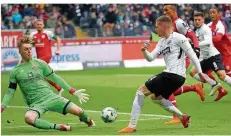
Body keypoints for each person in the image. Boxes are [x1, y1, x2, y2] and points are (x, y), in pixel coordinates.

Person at [118, 15, 206, 133]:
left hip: (173, 75)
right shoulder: (161, 42)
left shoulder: (178, 37)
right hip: (175, 78)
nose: (155, 29)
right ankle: (182, 117)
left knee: (140, 92)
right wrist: (144, 51)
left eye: (156, 27)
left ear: (163, 26)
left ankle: (132, 126)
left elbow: (192, 55)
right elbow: (150, 58)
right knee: (155, 97)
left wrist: (200, 72)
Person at [1, 36, 95, 131]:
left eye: (30, 48)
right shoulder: (15, 72)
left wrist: (72, 90)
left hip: (51, 97)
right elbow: (10, 92)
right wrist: (2, 106)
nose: (29, 51)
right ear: (20, 51)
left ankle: (87, 120)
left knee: (78, 111)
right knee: (28, 118)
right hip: (36, 104)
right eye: (26, 49)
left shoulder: (40, 63)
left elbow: (55, 78)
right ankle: (59, 127)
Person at [162, 4, 204, 124]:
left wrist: (196, 49)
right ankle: (194, 87)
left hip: (182, 59)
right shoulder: (169, 24)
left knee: (166, 87)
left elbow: (192, 36)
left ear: (174, 11)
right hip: (174, 60)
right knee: (168, 89)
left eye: (167, 10)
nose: (164, 12)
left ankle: (176, 117)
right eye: (163, 10)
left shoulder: (179, 23)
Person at [190, 12, 231, 97]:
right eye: (195, 20)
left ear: (203, 20)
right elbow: (194, 39)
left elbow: (208, 42)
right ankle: (214, 84)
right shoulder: (197, 30)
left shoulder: (206, 29)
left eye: (199, 20)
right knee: (193, 72)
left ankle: (215, 84)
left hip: (213, 57)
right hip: (204, 58)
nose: (197, 21)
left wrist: (195, 43)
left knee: (222, 76)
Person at [30, 19, 63, 95]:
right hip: (39, 57)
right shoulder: (32, 35)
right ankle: (58, 88)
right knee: (43, 75)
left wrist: (58, 50)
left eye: (40, 24)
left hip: (47, 56)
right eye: (38, 24)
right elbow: (30, 44)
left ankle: (39, 90)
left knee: (35, 70)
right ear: (35, 25)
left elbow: (58, 39)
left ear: (43, 25)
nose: (39, 26)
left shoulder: (48, 33)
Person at [205, 7, 231, 101]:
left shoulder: (221, 25)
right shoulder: (208, 26)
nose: (212, 14)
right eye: (210, 13)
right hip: (214, 55)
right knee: (204, 73)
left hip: (225, 53)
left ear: (218, 14)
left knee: (227, 75)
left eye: (214, 12)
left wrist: (206, 40)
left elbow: (218, 39)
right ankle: (221, 90)